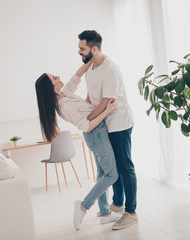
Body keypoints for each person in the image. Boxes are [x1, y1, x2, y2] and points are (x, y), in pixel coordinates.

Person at [35, 62, 121, 230]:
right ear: (50, 88)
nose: (58, 77)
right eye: (54, 78)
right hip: (95, 134)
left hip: (97, 133)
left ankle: (104, 213)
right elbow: (86, 125)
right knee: (112, 175)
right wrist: (107, 110)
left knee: (103, 173)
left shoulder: (64, 94)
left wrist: (90, 60)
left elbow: (76, 77)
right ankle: (83, 206)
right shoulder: (64, 106)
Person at [77, 30, 138, 230]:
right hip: (104, 123)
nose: (79, 52)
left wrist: (87, 121)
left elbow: (106, 102)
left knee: (124, 167)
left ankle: (131, 212)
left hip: (118, 122)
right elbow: (91, 96)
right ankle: (118, 204)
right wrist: (84, 114)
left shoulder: (110, 70)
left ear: (94, 48)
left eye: (82, 48)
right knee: (112, 167)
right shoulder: (90, 67)